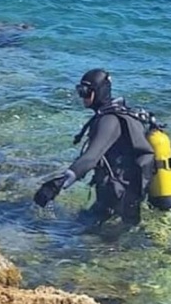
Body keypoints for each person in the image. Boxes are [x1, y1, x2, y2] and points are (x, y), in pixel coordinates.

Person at [34, 69, 155, 226]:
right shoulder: (120, 113)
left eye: (85, 92)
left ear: (98, 92)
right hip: (126, 194)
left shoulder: (109, 120)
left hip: (118, 197)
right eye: (79, 91)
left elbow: (91, 158)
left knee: (86, 235)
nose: (81, 97)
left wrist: (56, 185)